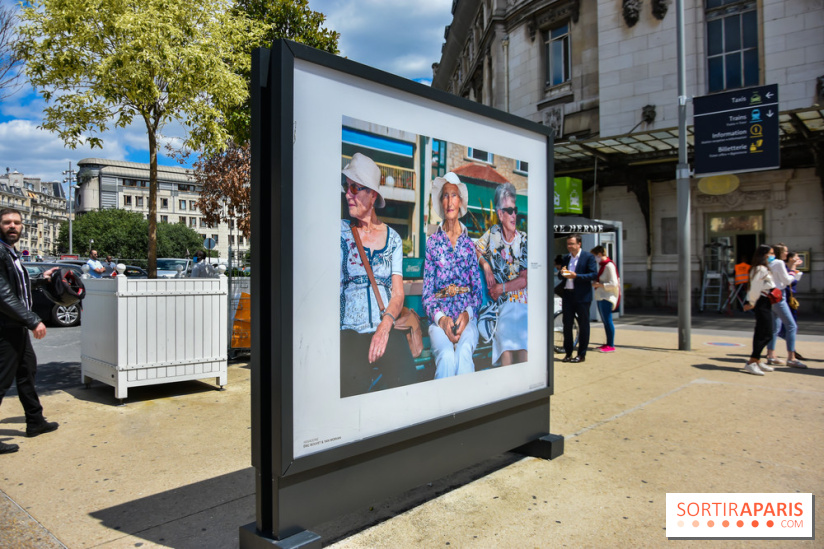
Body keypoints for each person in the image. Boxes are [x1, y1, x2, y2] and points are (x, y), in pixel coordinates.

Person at [340, 153, 416, 396]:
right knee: (352, 384)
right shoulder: (339, 232)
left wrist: (385, 326)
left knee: (408, 380)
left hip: (385, 326)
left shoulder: (393, 239)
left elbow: (398, 294)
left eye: (354, 187)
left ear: (372, 195)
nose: (347, 193)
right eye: (346, 187)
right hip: (348, 331)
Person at [0, 208, 60, 455]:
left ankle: (35, 421)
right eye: (7, 222)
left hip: (16, 327)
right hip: (5, 329)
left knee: (27, 373)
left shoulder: (10, 253)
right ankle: (35, 421)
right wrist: (33, 320)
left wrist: (40, 279)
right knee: (2, 380)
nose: (13, 226)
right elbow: (2, 295)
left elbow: (16, 288)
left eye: (17, 222)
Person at [422, 172, 483, 378]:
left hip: (467, 320)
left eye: (454, 195)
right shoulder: (432, 243)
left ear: (461, 201)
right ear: (441, 202)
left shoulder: (469, 244)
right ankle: (445, 408)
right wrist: (442, 320)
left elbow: (477, 292)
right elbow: (427, 295)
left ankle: (466, 408)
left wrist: (467, 315)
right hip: (440, 321)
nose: (449, 201)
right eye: (445, 195)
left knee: (464, 353)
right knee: (447, 356)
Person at [476, 182, 528, 366]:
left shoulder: (523, 240)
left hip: (522, 305)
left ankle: (523, 387)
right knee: (506, 346)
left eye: (515, 210)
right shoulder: (493, 235)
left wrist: (501, 287)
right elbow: (476, 249)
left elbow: (524, 280)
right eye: (509, 210)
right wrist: (485, 265)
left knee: (523, 345)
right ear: (500, 214)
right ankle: (509, 387)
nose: (514, 215)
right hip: (503, 306)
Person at [558, 234, 598, 363]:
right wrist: (562, 273)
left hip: (582, 296)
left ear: (579, 244)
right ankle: (568, 353)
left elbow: (593, 274)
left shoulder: (588, 257)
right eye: (568, 244)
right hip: (568, 295)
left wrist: (576, 276)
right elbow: (560, 276)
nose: (569, 246)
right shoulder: (566, 258)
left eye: (572, 244)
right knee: (567, 325)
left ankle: (581, 354)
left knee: (583, 325)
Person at [765, 243, 805, 368]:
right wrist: (793, 270)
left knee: (774, 328)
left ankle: (771, 355)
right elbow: (787, 281)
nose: (787, 253)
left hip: (770, 296)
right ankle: (791, 358)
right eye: (785, 251)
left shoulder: (770, 263)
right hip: (778, 296)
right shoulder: (779, 263)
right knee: (791, 326)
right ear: (780, 252)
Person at [742, 245, 778, 375]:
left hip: (765, 301)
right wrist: (751, 302)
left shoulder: (762, 269)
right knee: (765, 332)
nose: (773, 256)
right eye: (771, 253)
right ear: (763, 254)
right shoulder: (760, 269)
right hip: (761, 302)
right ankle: (752, 361)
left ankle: (756, 360)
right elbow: (755, 288)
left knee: (763, 332)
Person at [591, 245, 619, 353]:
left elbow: (614, 283)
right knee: (605, 321)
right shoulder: (603, 265)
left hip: (607, 297)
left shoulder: (608, 266)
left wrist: (600, 285)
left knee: (608, 321)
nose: (594, 258)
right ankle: (608, 343)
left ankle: (611, 345)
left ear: (599, 254)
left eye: (594, 256)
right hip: (602, 296)